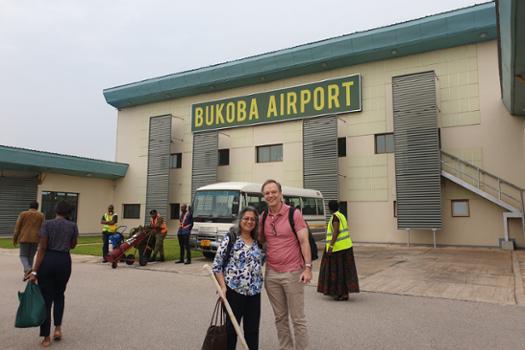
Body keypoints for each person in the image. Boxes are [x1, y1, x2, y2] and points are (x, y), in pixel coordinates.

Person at [259, 179, 312, 350]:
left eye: (274, 192)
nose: (270, 195)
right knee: (280, 317)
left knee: (298, 319)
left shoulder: (294, 214)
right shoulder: (263, 217)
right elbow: (258, 241)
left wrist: (308, 268)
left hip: (293, 272)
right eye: (267, 193)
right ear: (264, 196)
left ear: (281, 193)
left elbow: (304, 241)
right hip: (272, 274)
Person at [212, 206, 264, 350]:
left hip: (254, 293)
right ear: (240, 220)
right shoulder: (231, 238)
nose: (249, 221)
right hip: (234, 291)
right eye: (246, 218)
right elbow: (217, 265)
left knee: (252, 331)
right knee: (231, 330)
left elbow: (260, 263)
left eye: (253, 219)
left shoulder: (257, 241)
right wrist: (223, 287)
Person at [28, 200, 78, 348]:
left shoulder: (47, 224)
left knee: (46, 300)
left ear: (56, 211)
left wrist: (34, 271)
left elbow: (42, 249)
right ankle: (57, 329)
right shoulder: (73, 225)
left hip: (48, 260)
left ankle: (46, 337)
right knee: (59, 295)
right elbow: (73, 245)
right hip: (64, 261)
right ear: (69, 213)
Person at [317, 200, 360, 301]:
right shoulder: (342, 216)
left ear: (329, 208)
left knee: (336, 271)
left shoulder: (335, 217)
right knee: (344, 271)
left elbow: (336, 231)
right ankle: (344, 293)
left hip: (338, 249)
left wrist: (331, 247)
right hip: (346, 247)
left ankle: (339, 292)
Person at [13, 201, 44, 279]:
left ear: (29, 206)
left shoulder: (23, 214)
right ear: (37, 207)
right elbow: (43, 227)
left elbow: (17, 227)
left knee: (23, 256)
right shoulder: (41, 215)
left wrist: (15, 238)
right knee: (30, 257)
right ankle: (28, 275)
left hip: (24, 238)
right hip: (36, 239)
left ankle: (28, 269)